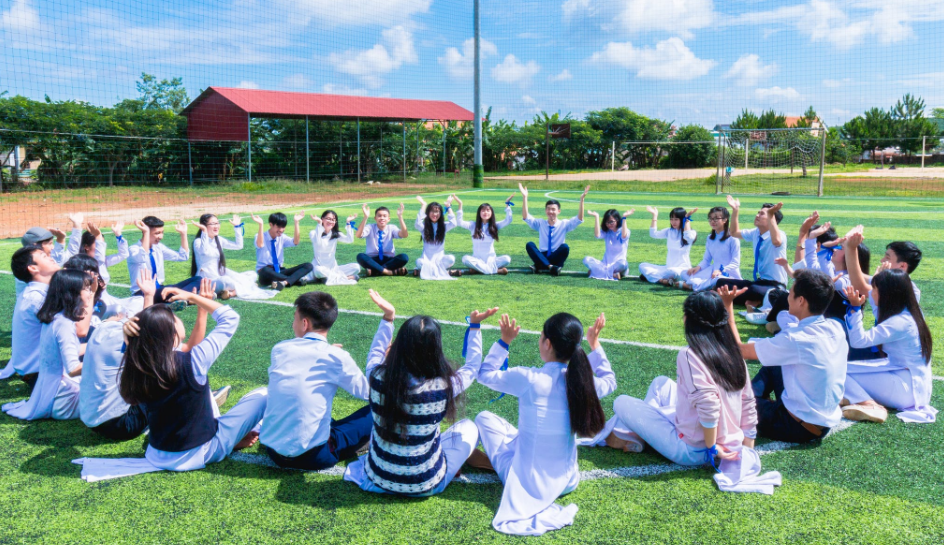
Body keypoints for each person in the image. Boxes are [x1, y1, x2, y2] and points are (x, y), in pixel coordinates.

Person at [73, 289, 267, 481]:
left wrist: (129, 330)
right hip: (201, 452)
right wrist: (193, 297)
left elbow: (139, 345)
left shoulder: (138, 362)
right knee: (262, 395)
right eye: (172, 316)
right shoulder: (195, 359)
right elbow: (230, 318)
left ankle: (229, 435)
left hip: (156, 453)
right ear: (169, 330)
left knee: (201, 389)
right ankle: (247, 438)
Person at [473, 312, 615, 536]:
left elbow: (483, 374)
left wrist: (504, 341)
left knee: (483, 417)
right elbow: (610, 381)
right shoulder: (582, 383)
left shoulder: (529, 379)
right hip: (568, 481)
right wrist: (594, 344)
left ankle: (498, 460)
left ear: (547, 343)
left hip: (527, 483)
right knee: (519, 434)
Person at [343, 292, 492, 496]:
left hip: (377, 479)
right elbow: (472, 367)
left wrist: (388, 318)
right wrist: (475, 326)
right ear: (435, 349)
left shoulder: (376, 377)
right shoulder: (444, 386)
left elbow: (376, 353)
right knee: (469, 428)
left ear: (399, 346)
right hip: (427, 484)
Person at [604, 291, 757, 468]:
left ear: (691, 320)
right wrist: (748, 451)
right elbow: (748, 403)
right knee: (661, 383)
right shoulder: (735, 354)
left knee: (621, 402)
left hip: (693, 450)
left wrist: (712, 447)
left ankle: (638, 436)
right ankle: (639, 435)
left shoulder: (689, 354)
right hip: (723, 442)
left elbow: (708, 404)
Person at [79, 272, 229, 440]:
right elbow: (188, 349)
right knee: (174, 370)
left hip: (89, 418)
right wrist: (202, 311)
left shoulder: (105, 329)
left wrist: (149, 295)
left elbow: (146, 326)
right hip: (121, 424)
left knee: (151, 367)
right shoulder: (133, 340)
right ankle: (193, 405)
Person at [718, 269, 847, 443]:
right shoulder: (835, 327)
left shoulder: (796, 339)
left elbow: (739, 350)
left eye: (791, 293)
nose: (787, 296)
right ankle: (754, 399)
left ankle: (749, 401)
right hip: (821, 421)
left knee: (729, 402)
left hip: (796, 426)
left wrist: (727, 304)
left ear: (801, 301)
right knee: (774, 363)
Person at [260, 291, 374, 471]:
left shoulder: (279, 349)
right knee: (378, 409)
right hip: (315, 457)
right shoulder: (336, 357)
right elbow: (369, 394)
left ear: (304, 324)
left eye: (295, 318)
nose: (293, 324)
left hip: (273, 452)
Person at [840, 271, 935, 424]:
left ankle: (869, 405)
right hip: (912, 386)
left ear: (887, 293)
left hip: (905, 391)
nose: (872, 292)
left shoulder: (899, 322)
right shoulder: (909, 313)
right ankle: (849, 397)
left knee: (837, 371)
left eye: (875, 288)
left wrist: (855, 309)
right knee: (844, 368)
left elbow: (859, 341)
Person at [3, 269, 93, 421]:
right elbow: (72, 369)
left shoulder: (56, 317)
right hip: (63, 400)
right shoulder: (64, 323)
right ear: (72, 294)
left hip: (51, 391)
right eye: (87, 289)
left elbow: (68, 351)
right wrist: (100, 360)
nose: (91, 293)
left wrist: (96, 347)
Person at [715, 197, 788, 308]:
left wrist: (771, 214)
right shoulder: (756, 233)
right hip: (760, 282)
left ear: (772, 219)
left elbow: (776, 241)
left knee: (754, 290)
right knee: (721, 282)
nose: (757, 215)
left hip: (775, 286)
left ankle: (730, 297)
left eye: (762, 214)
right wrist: (735, 210)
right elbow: (734, 233)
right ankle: (753, 300)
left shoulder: (779, 234)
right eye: (758, 212)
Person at [62, 214, 138, 318]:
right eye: (98, 244)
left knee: (139, 301)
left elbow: (123, 254)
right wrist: (97, 236)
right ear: (86, 247)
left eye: (102, 243)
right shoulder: (79, 264)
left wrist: (118, 235)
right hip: (96, 304)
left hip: (108, 300)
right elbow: (99, 258)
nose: (101, 247)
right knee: (124, 312)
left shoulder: (103, 261)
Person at [7, 245, 60, 389]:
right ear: (33, 268)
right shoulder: (37, 298)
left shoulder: (38, 292)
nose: (51, 257)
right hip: (43, 376)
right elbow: (76, 331)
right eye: (44, 256)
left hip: (40, 371)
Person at [192, 213, 277, 300]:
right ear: (204, 226)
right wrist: (204, 233)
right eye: (213, 224)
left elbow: (238, 245)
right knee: (226, 281)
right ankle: (237, 289)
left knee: (252, 274)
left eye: (218, 223)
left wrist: (237, 227)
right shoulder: (198, 242)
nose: (217, 226)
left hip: (220, 272)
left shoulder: (218, 240)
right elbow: (205, 251)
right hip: (208, 280)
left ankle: (231, 292)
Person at [128, 216, 209, 303]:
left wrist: (183, 234)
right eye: (157, 233)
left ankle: (182, 297)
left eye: (162, 232)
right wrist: (146, 232)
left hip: (160, 289)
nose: (161, 236)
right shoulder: (133, 249)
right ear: (145, 232)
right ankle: (187, 297)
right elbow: (142, 256)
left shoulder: (158, 247)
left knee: (199, 279)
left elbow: (183, 257)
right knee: (169, 292)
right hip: (143, 293)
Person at [520, 183, 588, 276]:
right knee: (530, 245)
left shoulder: (564, 224)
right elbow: (526, 217)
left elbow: (579, 219)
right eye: (548, 209)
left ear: (558, 211)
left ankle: (540, 265)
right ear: (545, 210)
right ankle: (550, 267)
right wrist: (525, 197)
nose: (550, 211)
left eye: (553, 209)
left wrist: (582, 200)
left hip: (556, 256)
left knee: (565, 247)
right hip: (543, 255)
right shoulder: (540, 223)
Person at [679, 206, 740, 291]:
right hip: (712, 271)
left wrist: (721, 270)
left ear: (725, 220)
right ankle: (706, 287)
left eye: (716, 219)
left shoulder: (733, 239)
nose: (712, 221)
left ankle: (691, 286)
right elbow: (706, 260)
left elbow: (735, 263)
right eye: (710, 219)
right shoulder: (710, 238)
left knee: (718, 280)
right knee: (684, 273)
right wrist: (698, 267)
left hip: (727, 273)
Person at [454, 193, 515, 275]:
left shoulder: (495, 226)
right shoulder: (473, 225)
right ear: (479, 213)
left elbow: (508, 220)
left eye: (488, 210)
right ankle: (496, 271)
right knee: (465, 259)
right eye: (483, 210)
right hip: (477, 260)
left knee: (507, 259)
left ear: (491, 213)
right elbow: (459, 222)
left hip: (491, 260)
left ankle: (477, 270)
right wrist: (460, 204)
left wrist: (507, 204)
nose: (485, 212)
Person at [639, 206, 698, 286]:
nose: (673, 222)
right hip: (668, 267)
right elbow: (653, 234)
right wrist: (654, 216)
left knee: (672, 272)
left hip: (681, 270)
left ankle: (653, 277)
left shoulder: (691, 232)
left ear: (682, 219)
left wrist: (687, 220)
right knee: (642, 265)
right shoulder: (669, 231)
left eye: (676, 219)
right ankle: (663, 281)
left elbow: (688, 237)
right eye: (671, 219)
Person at [254, 212, 312, 291]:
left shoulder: (282, 237)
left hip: (280, 271)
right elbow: (260, 244)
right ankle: (295, 280)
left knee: (308, 265)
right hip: (266, 274)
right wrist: (261, 225)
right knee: (265, 270)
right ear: (271, 225)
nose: (281, 230)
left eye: (283, 227)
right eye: (279, 226)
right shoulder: (260, 236)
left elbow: (295, 242)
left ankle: (283, 283)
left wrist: (296, 222)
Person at [301, 210, 362, 285]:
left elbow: (349, 240)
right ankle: (348, 278)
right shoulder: (313, 233)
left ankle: (326, 278)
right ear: (322, 219)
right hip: (320, 268)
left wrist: (348, 223)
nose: (331, 221)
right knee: (318, 270)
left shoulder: (335, 234)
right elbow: (318, 243)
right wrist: (319, 224)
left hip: (333, 269)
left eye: (333, 220)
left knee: (356, 267)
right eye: (328, 219)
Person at [413, 195, 461, 279]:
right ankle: (446, 272)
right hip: (426, 260)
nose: (435, 214)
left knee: (451, 259)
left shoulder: (443, 226)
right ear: (427, 213)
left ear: (440, 213)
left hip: (440, 261)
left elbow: (454, 223)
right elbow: (417, 224)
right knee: (419, 262)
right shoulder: (424, 227)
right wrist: (423, 205)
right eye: (432, 211)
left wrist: (448, 207)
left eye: (437, 211)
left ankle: (428, 271)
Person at [355, 203, 410, 277]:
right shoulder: (370, 227)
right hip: (372, 260)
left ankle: (375, 271)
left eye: (384, 216)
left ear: (388, 219)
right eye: (379, 216)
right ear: (375, 218)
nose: (382, 218)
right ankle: (389, 272)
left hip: (389, 260)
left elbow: (404, 235)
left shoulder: (391, 228)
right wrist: (365, 217)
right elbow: (358, 235)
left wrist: (400, 217)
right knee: (360, 256)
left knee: (404, 257)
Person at [13, 226, 66, 297]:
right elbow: (56, 261)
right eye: (50, 243)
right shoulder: (29, 266)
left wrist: (60, 239)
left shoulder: (30, 261)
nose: (53, 247)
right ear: (35, 246)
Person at [583, 208, 633, 281]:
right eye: (607, 223)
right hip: (605, 264)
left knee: (623, 263)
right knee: (586, 259)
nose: (609, 225)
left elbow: (624, 236)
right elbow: (597, 235)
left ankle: (596, 272)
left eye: (611, 222)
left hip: (618, 265)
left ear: (617, 220)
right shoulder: (607, 232)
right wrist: (596, 217)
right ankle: (613, 274)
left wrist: (624, 218)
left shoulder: (623, 231)